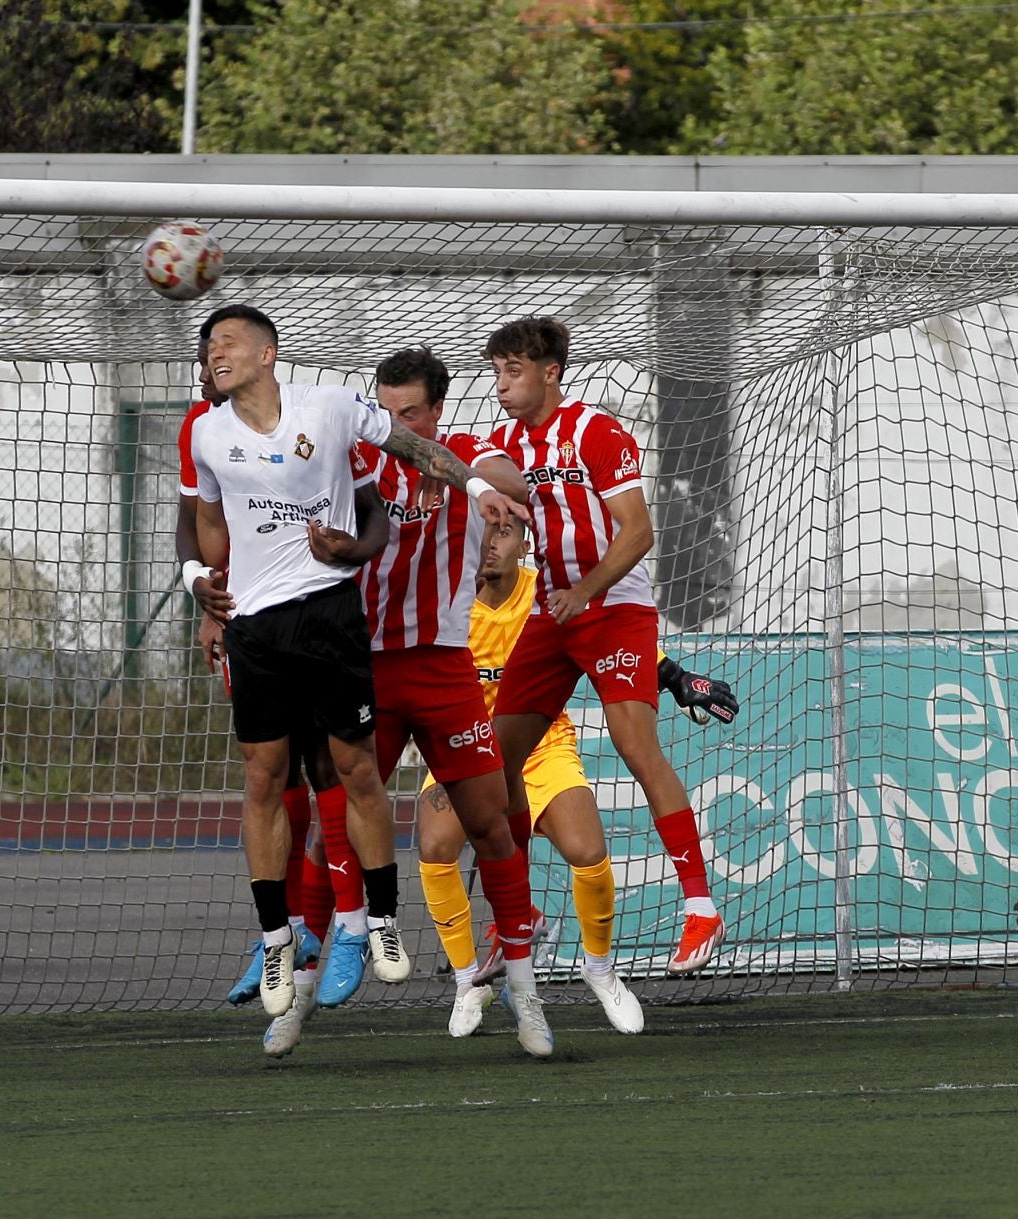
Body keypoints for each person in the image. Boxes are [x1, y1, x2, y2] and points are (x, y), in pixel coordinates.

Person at [188, 304, 523, 1056]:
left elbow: (406, 467)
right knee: (269, 781)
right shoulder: (205, 431)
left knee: (356, 777)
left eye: (229, 341)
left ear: (270, 353)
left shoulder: (334, 412)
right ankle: (284, 936)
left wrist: (472, 491)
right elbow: (205, 521)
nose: (216, 352)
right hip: (260, 630)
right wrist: (202, 587)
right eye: (209, 345)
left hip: (346, 627)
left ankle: (377, 920)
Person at [310, 345, 552, 1059]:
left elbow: (509, 479)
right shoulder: (358, 456)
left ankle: (524, 988)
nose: (396, 426)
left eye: (409, 414)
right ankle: (325, 956)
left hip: (446, 672)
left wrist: (475, 483)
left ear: (437, 410)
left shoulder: (470, 454)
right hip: (366, 667)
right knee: (336, 809)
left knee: (492, 824)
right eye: (385, 412)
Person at [417, 514, 740, 1038]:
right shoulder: (442, 601)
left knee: (588, 852)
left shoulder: (546, 597)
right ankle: (466, 983)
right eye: (482, 531)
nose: (490, 542)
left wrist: (674, 676)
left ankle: (600, 970)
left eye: (504, 532)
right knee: (433, 844)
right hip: (465, 747)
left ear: (527, 543)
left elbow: (607, 636)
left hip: (543, 747)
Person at [483, 316, 729, 974]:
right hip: (552, 614)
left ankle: (701, 907)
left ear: (549, 373)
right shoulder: (505, 440)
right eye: (496, 372)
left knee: (634, 744)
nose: (501, 385)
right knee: (496, 760)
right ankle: (522, 915)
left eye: (513, 371)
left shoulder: (597, 431)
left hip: (612, 608)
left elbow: (638, 531)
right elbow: (475, 464)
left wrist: (585, 590)